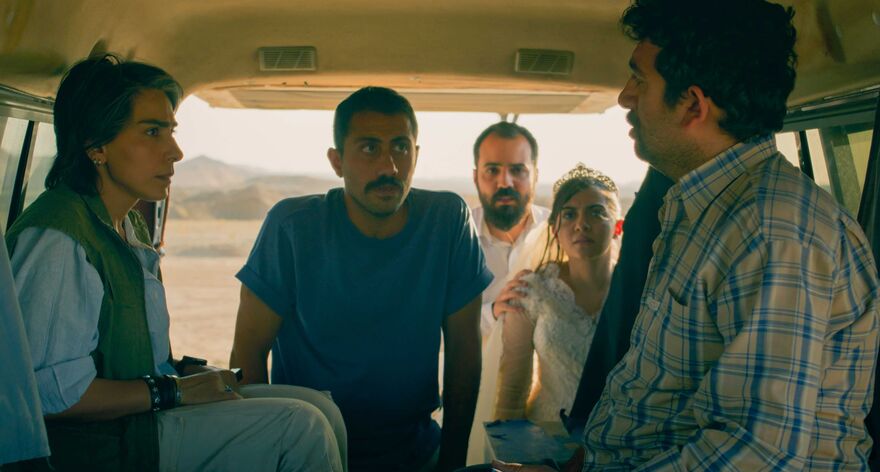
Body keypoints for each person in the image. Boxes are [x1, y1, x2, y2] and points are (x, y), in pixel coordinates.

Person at [492, 0, 880, 470]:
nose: (624, 97)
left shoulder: (772, 232)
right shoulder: (696, 211)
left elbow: (755, 453)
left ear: (693, 104)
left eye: (640, 80)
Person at [6, 55, 345, 472]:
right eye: (152, 132)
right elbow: (48, 395)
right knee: (301, 426)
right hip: (102, 447)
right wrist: (173, 392)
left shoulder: (126, 224)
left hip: (138, 421)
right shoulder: (58, 239)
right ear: (96, 145)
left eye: (170, 131)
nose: (176, 152)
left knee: (319, 406)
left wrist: (189, 375)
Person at [230, 86, 493, 472]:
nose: (389, 166)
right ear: (337, 161)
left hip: (416, 451)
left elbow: (464, 353)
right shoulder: (292, 227)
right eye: (369, 148)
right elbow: (248, 354)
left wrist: (451, 464)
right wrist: (273, 453)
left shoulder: (447, 221)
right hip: (309, 452)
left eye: (401, 147)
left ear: (416, 155)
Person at [493, 164, 621, 424]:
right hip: (548, 440)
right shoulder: (532, 291)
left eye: (596, 213)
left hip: (621, 442)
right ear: (554, 229)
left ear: (618, 227)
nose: (581, 225)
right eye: (570, 215)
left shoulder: (638, 290)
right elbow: (512, 391)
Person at [467, 122, 550, 464]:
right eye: (493, 170)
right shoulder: (458, 240)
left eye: (517, 170)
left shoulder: (560, 234)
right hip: (470, 404)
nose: (505, 182)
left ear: (535, 174)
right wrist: (493, 313)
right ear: (476, 177)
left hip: (546, 412)